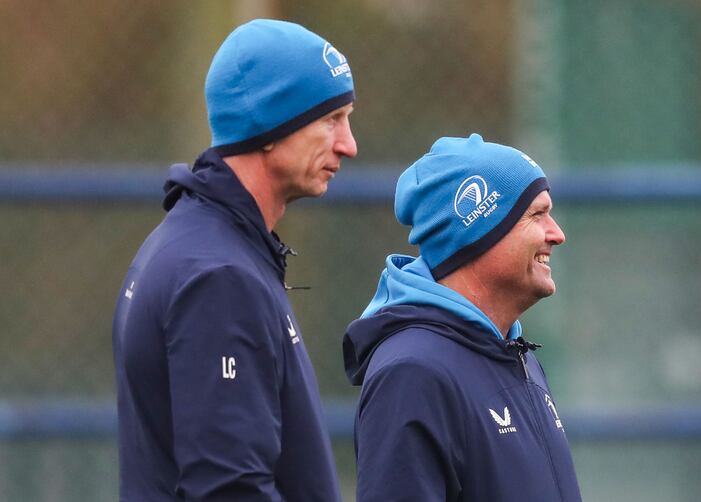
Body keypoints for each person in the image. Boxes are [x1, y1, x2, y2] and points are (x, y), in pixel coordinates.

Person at [112, 19, 356, 501]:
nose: (348, 143)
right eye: (331, 119)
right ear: (269, 124)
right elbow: (230, 488)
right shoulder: (218, 276)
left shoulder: (194, 243)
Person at [343, 133, 582, 501]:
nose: (557, 234)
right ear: (479, 231)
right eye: (537, 215)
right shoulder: (413, 372)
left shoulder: (518, 357)